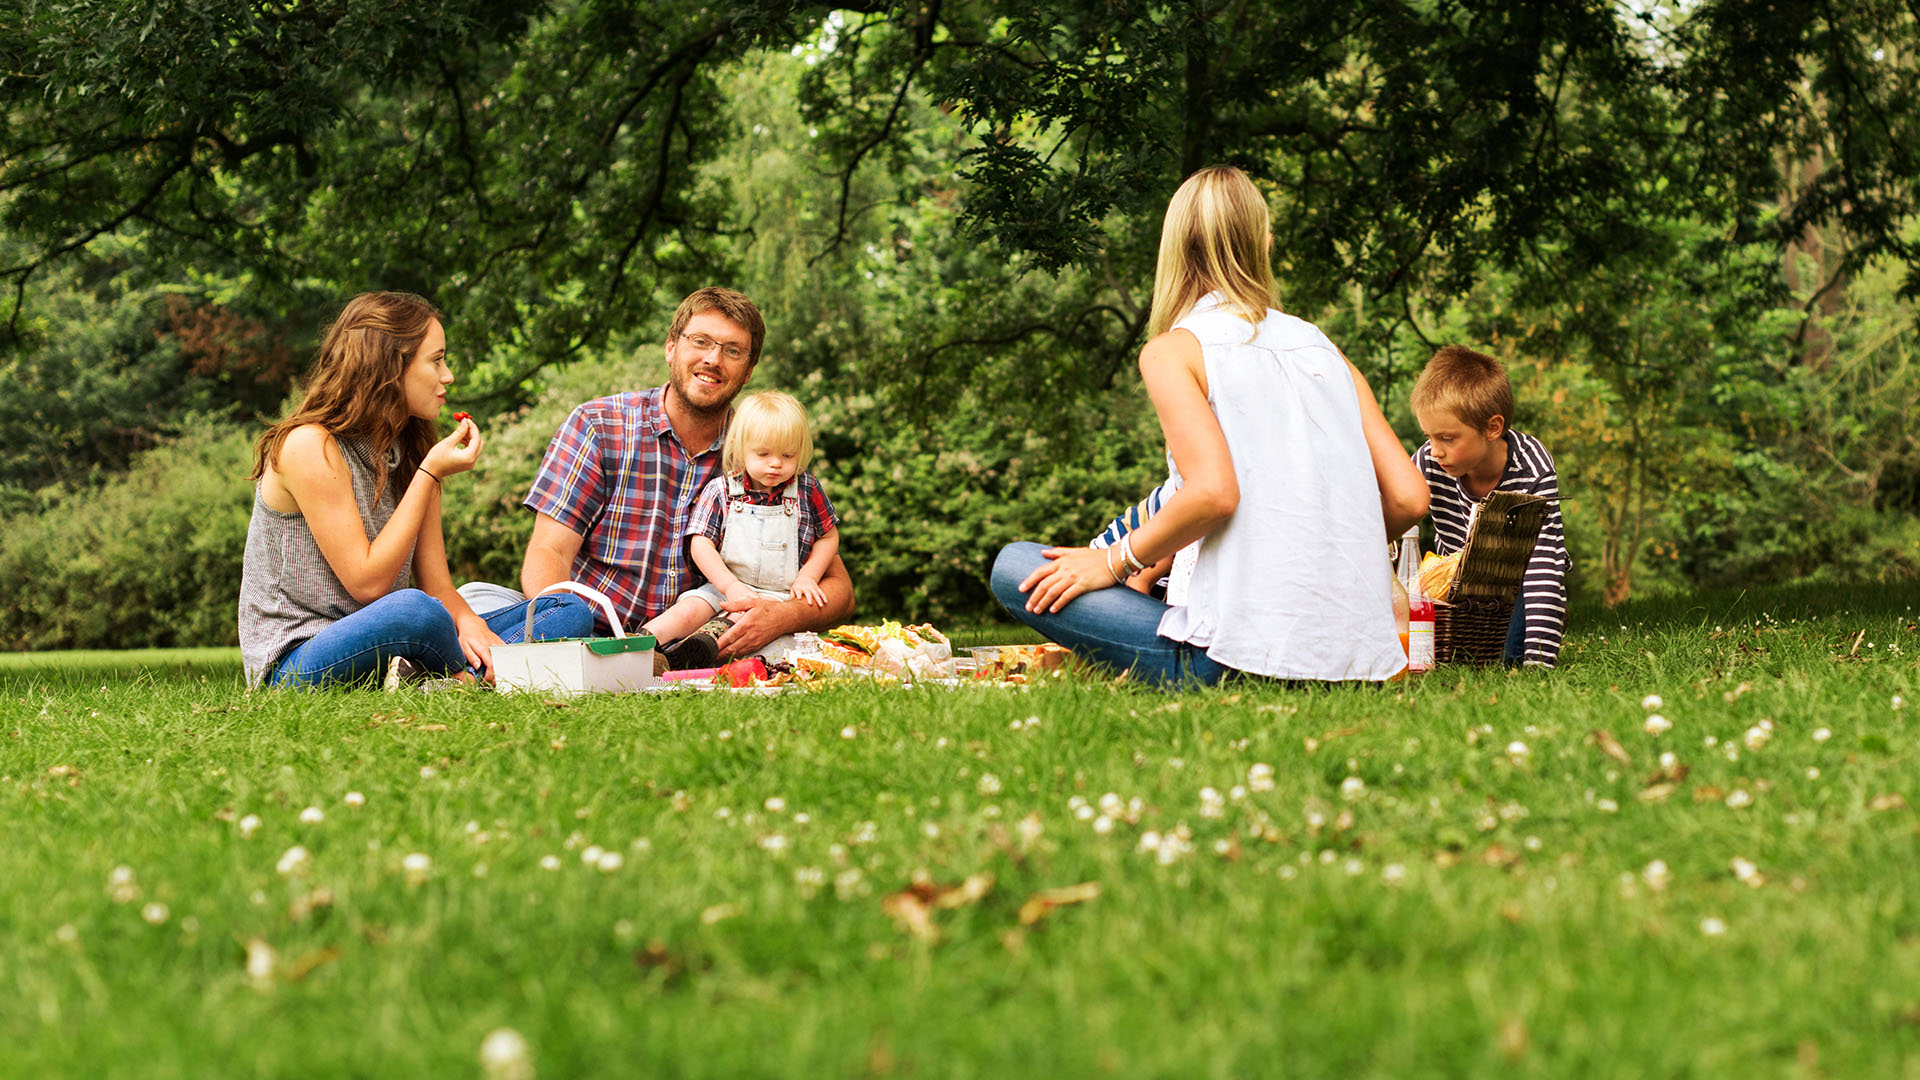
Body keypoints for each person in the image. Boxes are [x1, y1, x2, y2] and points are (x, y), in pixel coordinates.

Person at [988, 166, 1430, 685]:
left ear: (1174, 247)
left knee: (1015, 565)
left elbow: (1214, 493)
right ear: (1263, 243)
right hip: (1361, 662)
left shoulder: (1173, 351)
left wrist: (1113, 561)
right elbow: (1409, 498)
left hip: (1234, 660)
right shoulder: (1324, 349)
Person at [461, 287, 855, 664]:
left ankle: (476, 664)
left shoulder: (762, 455)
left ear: (749, 370)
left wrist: (782, 616)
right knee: (479, 600)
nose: (714, 360)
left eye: (732, 351)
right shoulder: (599, 425)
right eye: (700, 341)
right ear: (671, 347)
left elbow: (839, 589)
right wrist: (567, 636)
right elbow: (548, 553)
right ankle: (486, 655)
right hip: (585, 625)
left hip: (683, 645)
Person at [238, 291, 594, 689]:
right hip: (301, 658)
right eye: (437, 360)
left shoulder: (410, 450)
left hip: (395, 644)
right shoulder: (309, 446)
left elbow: (439, 587)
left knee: (566, 609)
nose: (448, 376)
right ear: (390, 367)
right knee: (417, 611)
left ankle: (441, 678)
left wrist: (471, 624)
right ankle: (473, 676)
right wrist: (428, 475)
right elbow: (368, 583)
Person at [639, 391, 841, 654]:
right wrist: (730, 586)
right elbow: (700, 544)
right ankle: (640, 641)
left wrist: (809, 576)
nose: (776, 464)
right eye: (763, 454)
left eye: (788, 455)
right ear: (739, 447)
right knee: (690, 608)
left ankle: (691, 653)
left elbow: (828, 537)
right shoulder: (721, 490)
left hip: (777, 597)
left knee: (740, 622)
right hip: (724, 587)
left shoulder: (807, 489)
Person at [1409, 345, 1569, 666]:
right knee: (1455, 660)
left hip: (1514, 586)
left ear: (1493, 428)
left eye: (1447, 438)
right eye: (1429, 436)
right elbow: (1395, 519)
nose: (1435, 450)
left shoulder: (1531, 468)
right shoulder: (1428, 461)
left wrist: (1539, 659)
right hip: (1455, 589)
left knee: (1509, 659)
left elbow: (1542, 570)